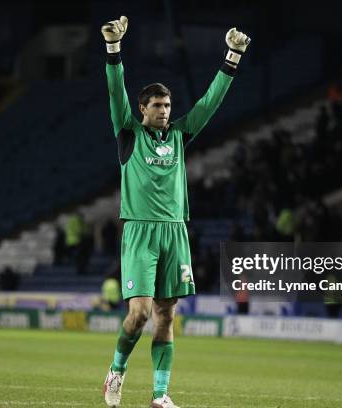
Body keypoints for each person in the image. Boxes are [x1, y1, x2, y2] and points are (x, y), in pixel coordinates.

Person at [100, 15, 250, 408]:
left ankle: (160, 395)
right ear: (142, 109)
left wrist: (231, 57)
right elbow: (115, 91)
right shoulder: (128, 134)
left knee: (165, 316)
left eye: (167, 105)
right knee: (139, 313)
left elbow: (209, 103)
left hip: (175, 231)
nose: (165, 111)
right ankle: (116, 371)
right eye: (157, 105)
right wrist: (114, 49)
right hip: (140, 231)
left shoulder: (181, 136)